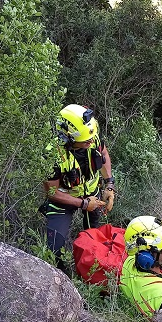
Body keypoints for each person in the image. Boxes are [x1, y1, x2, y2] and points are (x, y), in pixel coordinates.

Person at [41, 104, 115, 268]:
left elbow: (103, 154)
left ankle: (90, 267)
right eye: (84, 140)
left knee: (94, 234)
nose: (90, 141)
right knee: (54, 250)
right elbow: (51, 192)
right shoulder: (53, 154)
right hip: (62, 200)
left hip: (92, 193)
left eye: (91, 138)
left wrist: (109, 184)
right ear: (68, 136)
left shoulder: (92, 137)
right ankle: (63, 278)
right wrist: (83, 203)